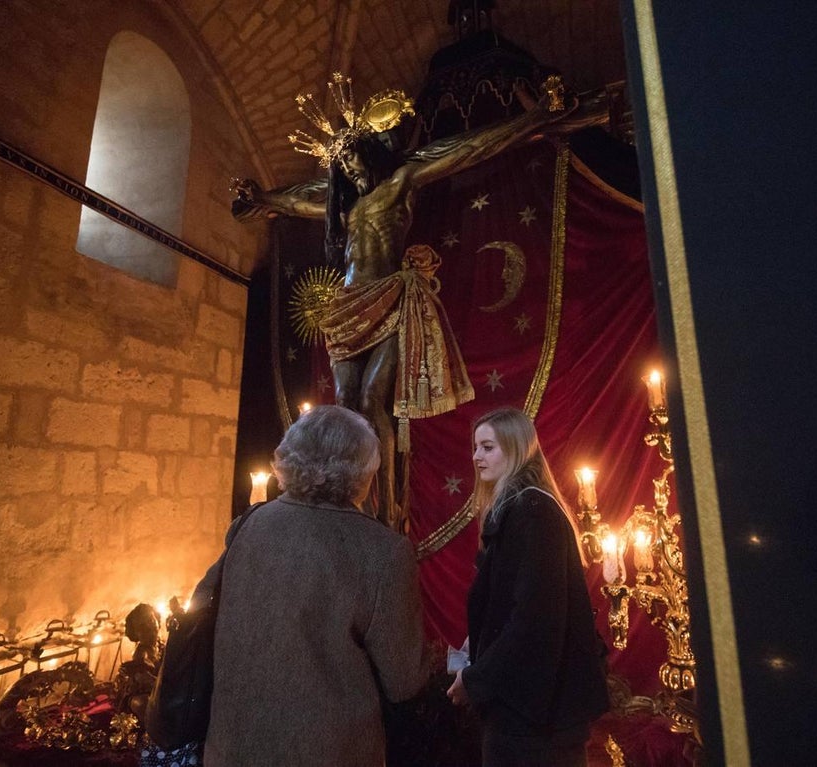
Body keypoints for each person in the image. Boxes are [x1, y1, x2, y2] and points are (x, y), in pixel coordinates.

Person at [231, 74, 589, 531]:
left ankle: (380, 509)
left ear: (374, 156)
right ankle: (350, 497)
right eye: (347, 169)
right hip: (348, 305)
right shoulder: (344, 203)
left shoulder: (399, 181)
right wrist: (262, 198)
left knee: (373, 399)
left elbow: (465, 149)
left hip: (390, 297)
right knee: (344, 399)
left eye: (359, 163)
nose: (355, 173)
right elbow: (301, 199)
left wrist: (534, 117)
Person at [201, 404, 428, 766]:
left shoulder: (249, 524)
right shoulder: (383, 552)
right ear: (364, 471)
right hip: (330, 751)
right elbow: (404, 681)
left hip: (232, 746)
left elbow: (201, 609)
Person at [446, 407, 609, 767]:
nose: (476, 457)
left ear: (517, 449)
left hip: (536, 716)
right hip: (528, 710)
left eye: (487, 447)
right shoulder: (519, 510)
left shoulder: (532, 512)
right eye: (476, 447)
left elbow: (536, 619)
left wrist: (475, 680)